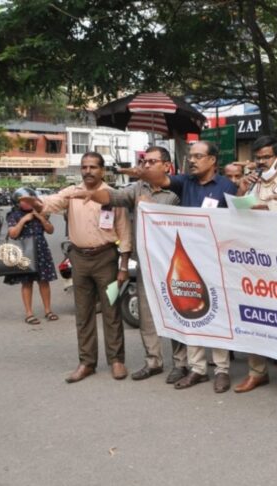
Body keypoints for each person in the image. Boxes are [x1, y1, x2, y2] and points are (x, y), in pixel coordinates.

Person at [118, 140, 238, 393]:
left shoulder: (228, 187)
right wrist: (141, 172)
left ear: (212, 160)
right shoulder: (185, 183)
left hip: (215, 261)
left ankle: (222, 370)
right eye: (190, 156)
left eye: (197, 156)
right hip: (188, 260)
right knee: (189, 312)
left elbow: (237, 225)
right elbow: (161, 181)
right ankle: (196, 369)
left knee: (216, 314)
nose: (192, 160)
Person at [69, 147, 184, 382]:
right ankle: (153, 361)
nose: (147, 165)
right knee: (146, 315)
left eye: (152, 161)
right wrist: (93, 193)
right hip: (146, 263)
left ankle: (181, 364)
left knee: (175, 313)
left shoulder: (179, 189)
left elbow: (182, 220)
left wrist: (150, 205)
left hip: (174, 264)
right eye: (144, 161)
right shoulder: (136, 189)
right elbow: (114, 197)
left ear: (166, 165)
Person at [23, 152, 133, 383]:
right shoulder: (71, 193)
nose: (88, 171)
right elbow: (50, 203)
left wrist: (123, 266)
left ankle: (116, 360)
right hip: (79, 260)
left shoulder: (113, 196)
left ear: (102, 170)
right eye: (84, 167)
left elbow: (124, 231)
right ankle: (86, 363)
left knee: (111, 311)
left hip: (107, 259)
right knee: (83, 313)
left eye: (93, 167)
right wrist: (37, 203)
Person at [232, 135, 277, 398]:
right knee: (253, 317)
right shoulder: (251, 184)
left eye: (266, 157)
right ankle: (256, 372)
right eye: (258, 158)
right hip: (252, 261)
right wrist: (241, 192)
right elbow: (236, 216)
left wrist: (267, 216)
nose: (262, 162)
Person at [4, 187, 59, 325]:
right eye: (24, 200)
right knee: (27, 283)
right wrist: (24, 220)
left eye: (30, 199)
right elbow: (13, 234)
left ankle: (48, 310)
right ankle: (29, 313)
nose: (27, 203)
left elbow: (51, 230)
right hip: (25, 252)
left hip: (41, 250)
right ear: (17, 202)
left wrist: (40, 218)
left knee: (44, 281)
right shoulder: (14, 215)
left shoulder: (42, 212)